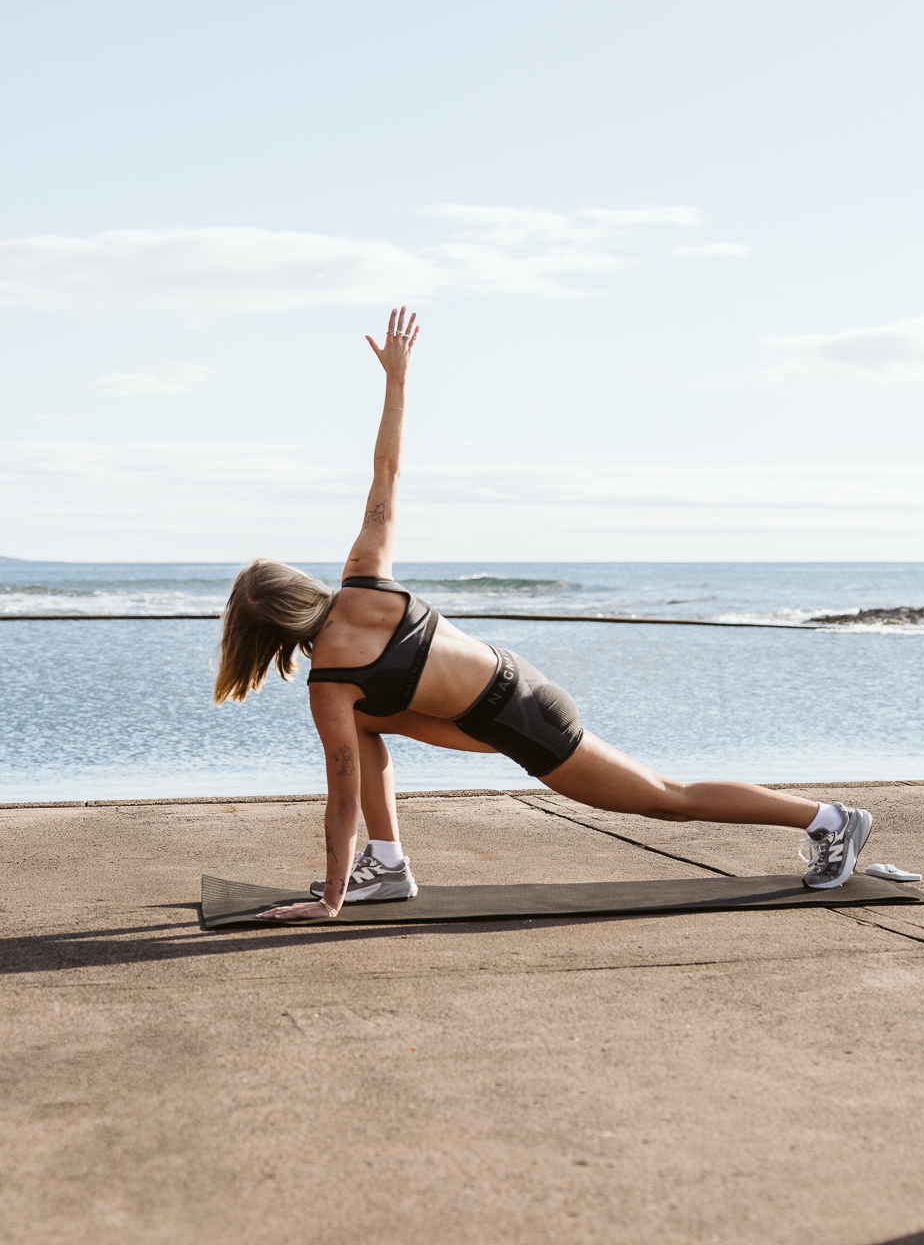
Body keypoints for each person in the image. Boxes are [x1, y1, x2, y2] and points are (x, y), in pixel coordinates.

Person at [213, 309, 873, 921]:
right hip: (508, 684)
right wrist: (398, 378)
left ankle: (827, 819)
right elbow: (385, 469)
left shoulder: (331, 685)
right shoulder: (364, 575)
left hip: (521, 719)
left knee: (666, 798)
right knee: (367, 721)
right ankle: (385, 866)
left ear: (259, 637)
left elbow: (343, 799)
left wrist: (328, 901)